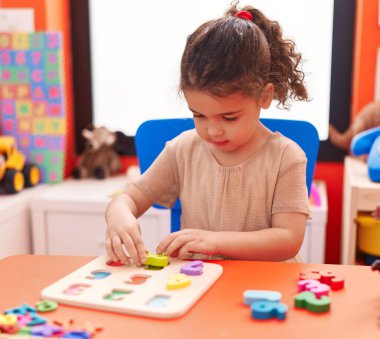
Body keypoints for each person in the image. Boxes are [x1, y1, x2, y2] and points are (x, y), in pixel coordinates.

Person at [105, 2, 310, 266]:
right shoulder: (182, 149)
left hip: (263, 291)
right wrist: (119, 214)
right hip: (198, 286)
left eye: (229, 117)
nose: (212, 131)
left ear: (264, 96)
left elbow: (288, 238)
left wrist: (213, 242)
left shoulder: (286, 156)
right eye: (199, 115)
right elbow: (129, 199)